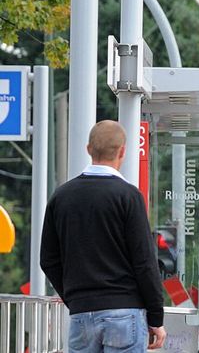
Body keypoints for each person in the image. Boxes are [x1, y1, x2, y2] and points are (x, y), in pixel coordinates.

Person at [41, 121, 167, 351]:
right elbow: (144, 262)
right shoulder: (128, 196)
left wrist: (76, 299)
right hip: (124, 311)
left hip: (82, 314)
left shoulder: (61, 197)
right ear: (123, 151)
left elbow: (48, 260)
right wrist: (156, 317)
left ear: (89, 149)